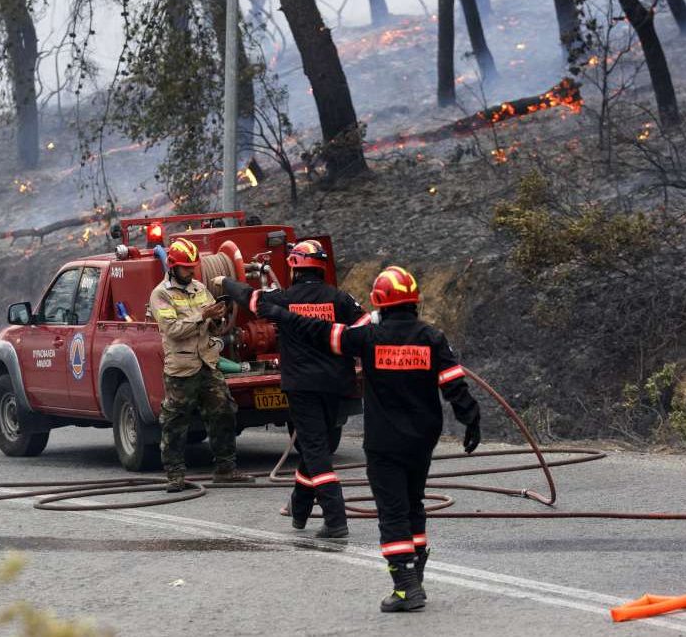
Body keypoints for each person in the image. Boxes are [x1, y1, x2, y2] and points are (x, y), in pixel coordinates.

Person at [251, 265, 481, 613]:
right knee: (414, 504)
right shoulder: (432, 338)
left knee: (393, 512)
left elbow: (319, 331)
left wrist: (280, 313)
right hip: (422, 441)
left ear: (380, 303)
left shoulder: (368, 339)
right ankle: (415, 573)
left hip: (384, 442)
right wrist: (471, 421)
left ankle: (405, 588)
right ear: (414, 301)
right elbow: (454, 385)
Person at [215, 239, 366, 539]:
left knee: (316, 451)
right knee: (315, 446)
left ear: (295, 269)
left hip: (303, 387)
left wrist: (224, 282)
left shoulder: (284, 299)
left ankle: (335, 519)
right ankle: (300, 508)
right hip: (335, 386)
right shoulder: (340, 299)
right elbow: (364, 327)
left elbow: (251, 298)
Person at [148, 237, 255, 492]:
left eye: (193, 267)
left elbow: (212, 328)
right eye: (186, 268)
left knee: (224, 411)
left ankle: (225, 469)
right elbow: (173, 329)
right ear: (173, 266)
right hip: (182, 368)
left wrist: (217, 319)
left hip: (208, 364)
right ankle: (175, 475)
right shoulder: (161, 294)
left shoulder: (199, 288)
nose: (191, 272)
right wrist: (203, 315)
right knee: (176, 421)